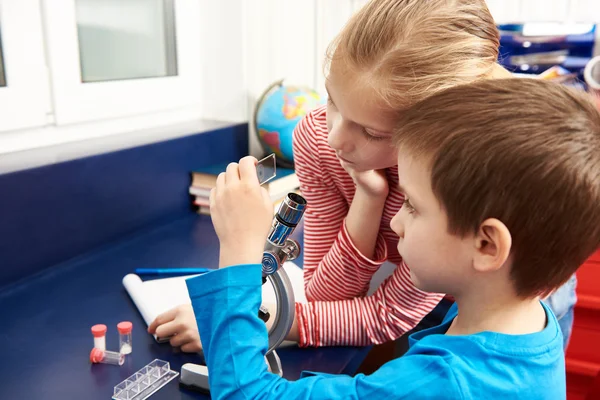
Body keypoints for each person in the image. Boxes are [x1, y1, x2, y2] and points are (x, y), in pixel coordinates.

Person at [148, 0, 576, 353]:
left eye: (372, 131)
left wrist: (247, 323)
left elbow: (388, 314)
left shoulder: (458, 173)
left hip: (512, 304)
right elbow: (322, 291)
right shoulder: (318, 135)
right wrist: (367, 201)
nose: (336, 138)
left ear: (436, 132)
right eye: (332, 100)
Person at [186, 78, 600, 399]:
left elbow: (246, 394)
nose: (397, 223)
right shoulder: (529, 324)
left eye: (414, 207)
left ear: (487, 246)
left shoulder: (448, 383)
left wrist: (239, 250)